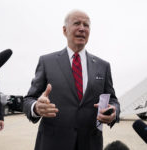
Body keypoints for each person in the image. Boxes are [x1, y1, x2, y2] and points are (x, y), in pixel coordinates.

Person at [23, 10, 120, 150]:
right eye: (77, 23)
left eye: (86, 25)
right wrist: (36, 107)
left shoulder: (103, 66)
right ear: (64, 30)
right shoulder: (46, 62)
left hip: (90, 144)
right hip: (53, 144)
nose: (82, 28)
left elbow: (113, 100)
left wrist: (114, 111)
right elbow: (28, 99)